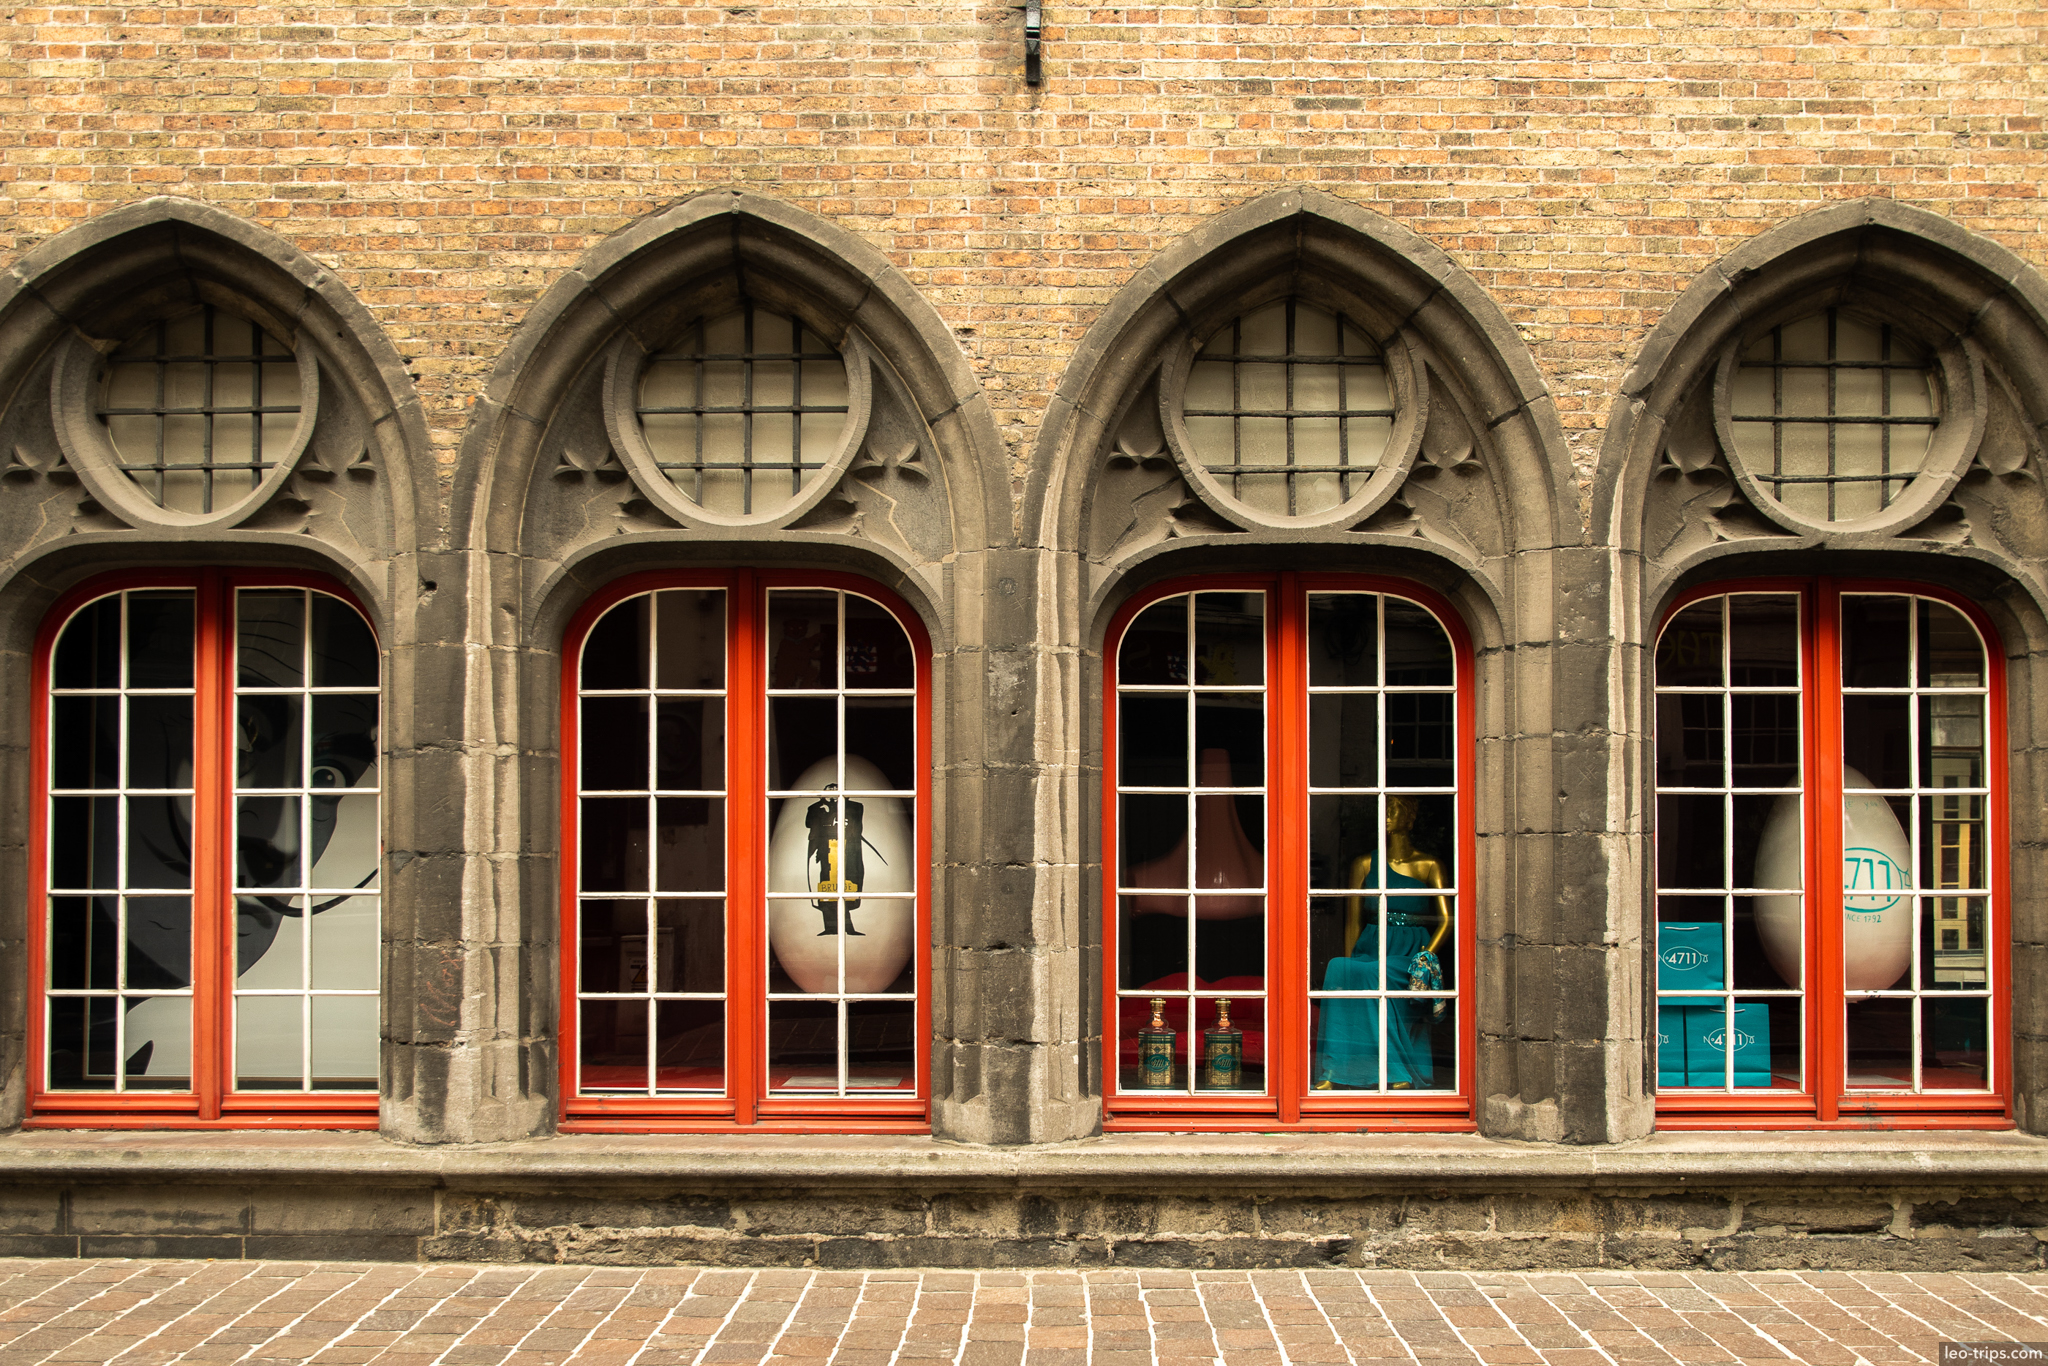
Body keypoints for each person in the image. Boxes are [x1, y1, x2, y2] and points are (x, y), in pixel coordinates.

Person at [1313, 794, 1449, 1089]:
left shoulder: (1429, 865)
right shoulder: (1364, 864)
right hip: (1371, 947)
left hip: (1411, 954)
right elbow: (1352, 920)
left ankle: (1395, 1071)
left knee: (1377, 974)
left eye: (1396, 809)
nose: (1388, 814)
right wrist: (1350, 966)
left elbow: (1448, 918)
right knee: (1339, 968)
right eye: (1384, 809)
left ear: (1410, 818)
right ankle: (1334, 1070)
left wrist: (1425, 958)